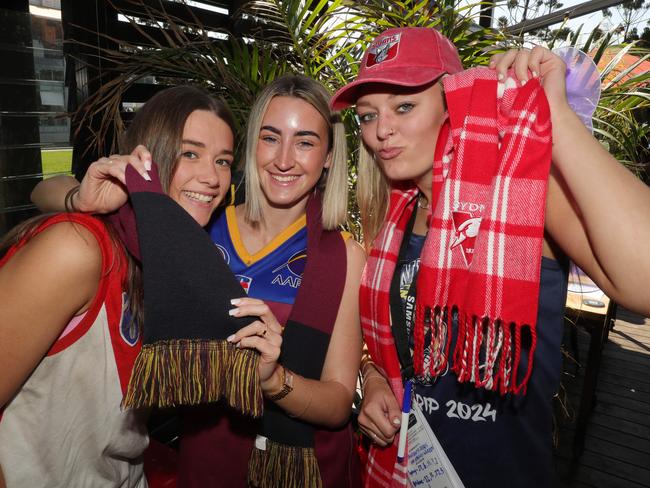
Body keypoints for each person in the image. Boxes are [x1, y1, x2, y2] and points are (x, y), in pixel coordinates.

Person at [329, 27, 650, 487]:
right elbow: (396, 343)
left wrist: (552, 115)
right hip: (397, 472)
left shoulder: (517, 200)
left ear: (453, 105)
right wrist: (374, 377)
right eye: (366, 116)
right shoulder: (395, 213)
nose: (381, 131)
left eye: (404, 107)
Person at [32, 74, 365, 488]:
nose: (283, 159)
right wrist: (76, 197)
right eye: (270, 137)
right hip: (201, 458)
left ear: (329, 156)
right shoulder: (199, 224)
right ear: (252, 146)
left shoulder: (345, 256)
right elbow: (49, 191)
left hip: (299, 468)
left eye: (305, 142)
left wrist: (272, 379)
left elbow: (337, 403)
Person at [0, 85, 237, 487]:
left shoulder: (181, 261)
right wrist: (76, 197)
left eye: (224, 161)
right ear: (148, 157)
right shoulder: (79, 248)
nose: (212, 178)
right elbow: (45, 188)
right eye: (190, 153)